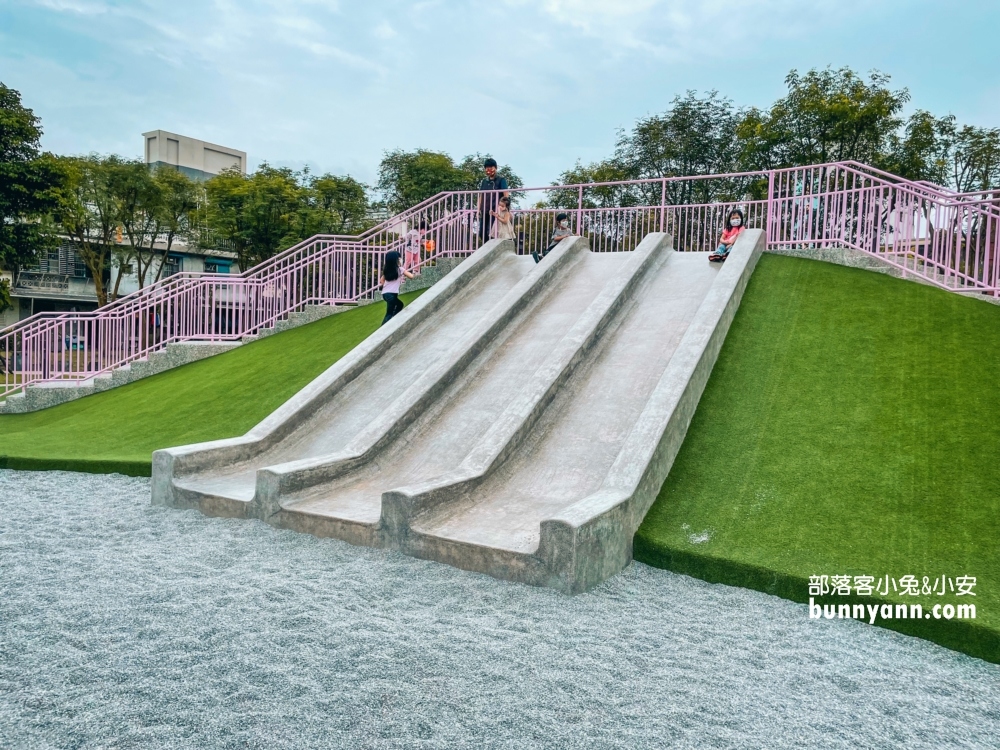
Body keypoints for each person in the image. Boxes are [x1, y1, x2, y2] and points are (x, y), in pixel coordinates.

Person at [477, 157, 509, 244]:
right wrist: (478, 209)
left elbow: (506, 194)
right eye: (487, 168)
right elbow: (481, 196)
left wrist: (506, 208)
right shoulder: (484, 181)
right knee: (482, 233)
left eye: (491, 167)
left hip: (496, 210)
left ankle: (493, 249)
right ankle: (487, 248)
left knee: (492, 232)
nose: (489, 170)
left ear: (495, 168)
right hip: (485, 209)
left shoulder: (501, 180)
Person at [379, 250, 415, 326]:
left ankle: (393, 319)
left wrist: (387, 287)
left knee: (399, 305)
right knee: (389, 313)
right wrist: (413, 273)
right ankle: (383, 327)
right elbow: (411, 276)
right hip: (391, 294)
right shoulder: (400, 269)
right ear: (396, 260)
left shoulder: (387, 270)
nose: (400, 259)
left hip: (385, 294)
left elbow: (381, 281)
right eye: (399, 258)